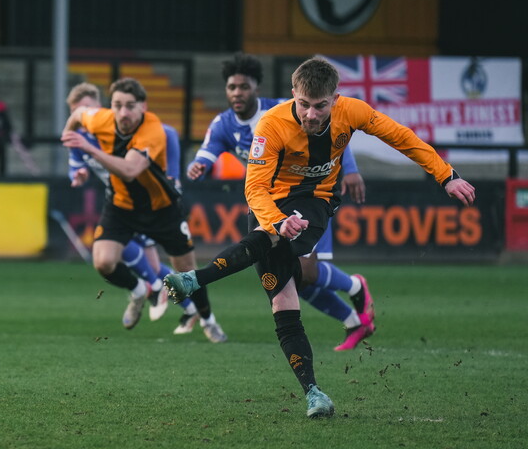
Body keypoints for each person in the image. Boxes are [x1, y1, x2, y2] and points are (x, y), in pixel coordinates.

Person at [164, 57, 476, 418]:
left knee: (292, 256)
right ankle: (314, 392)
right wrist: (276, 220)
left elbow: (401, 137)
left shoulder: (353, 112)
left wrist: (446, 175)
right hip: (270, 208)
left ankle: (196, 279)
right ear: (294, 94)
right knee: (284, 304)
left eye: (321, 106)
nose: (312, 115)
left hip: (315, 202)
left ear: (335, 98)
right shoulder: (271, 125)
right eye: (304, 105)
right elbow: (255, 188)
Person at [186, 53, 375, 351]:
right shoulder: (222, 124)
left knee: (306, 272)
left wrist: (350, 170)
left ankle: (355, 287)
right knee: (295, 279)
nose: (237, 93)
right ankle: (354, 321)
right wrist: (198, 166)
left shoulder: (286, 110)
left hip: (309, 196)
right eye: (232, 87)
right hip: (272, 206)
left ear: (256, 88)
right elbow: (204, 156)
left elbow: (332, 134)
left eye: (244, 86)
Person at [61, 78, 223, 340]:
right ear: (110, 106)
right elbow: (78, 115)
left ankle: (208, 320)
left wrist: (87, 146)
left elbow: (130, 170)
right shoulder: (100, 119)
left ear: (142, 107)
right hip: (121, 206)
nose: (123, 112)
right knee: (102, 261)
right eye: (118, 105)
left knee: (187, 273)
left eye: (130, 106)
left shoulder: (153, 130)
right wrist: (68, 139)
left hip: (160, 209)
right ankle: (139, 290)